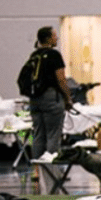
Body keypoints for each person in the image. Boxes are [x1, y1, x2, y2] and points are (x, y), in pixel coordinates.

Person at [28, 26, 73, 159]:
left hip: (34, 99)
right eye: (54, 35)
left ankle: (37, 170)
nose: (57, 38)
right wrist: (68, 98)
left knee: (38, 134)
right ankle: (52, 172)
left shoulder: (34, 55)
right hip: (51, 98)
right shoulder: (54, 55)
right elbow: (61, 80)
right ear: (48, 38)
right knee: (53, 134)